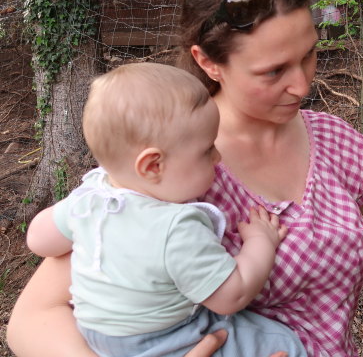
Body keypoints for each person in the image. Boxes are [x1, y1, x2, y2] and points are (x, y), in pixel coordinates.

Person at [7, 0, 363, 357]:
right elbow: (31, 322)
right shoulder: (167, 170)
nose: (302, 84)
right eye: (274, 71)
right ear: (209, 62)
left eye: (310, 54)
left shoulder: (329, 139)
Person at [22, 62, 306, 357]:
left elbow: (39, 241)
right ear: (153, 166)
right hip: (168, 340)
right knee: (282, 342)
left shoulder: (88, 199)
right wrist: (262, 240)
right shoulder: (177, 228)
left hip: (96, 339)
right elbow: (233, 295)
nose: (218, 157)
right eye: (207, 149)